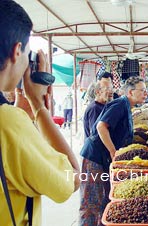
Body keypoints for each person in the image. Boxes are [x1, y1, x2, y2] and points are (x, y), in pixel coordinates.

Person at [0, 1, 80, 226]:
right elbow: (72, 178)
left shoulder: (11, 119)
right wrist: (38, 106)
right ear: (17, 52)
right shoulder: (7, 122)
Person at [79, 76, 147, 226]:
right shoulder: (120, 104)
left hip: (103, 158)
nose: (145, 94)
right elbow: (101, 127)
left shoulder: (126, 106)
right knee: (91, 202)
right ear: (130, 92)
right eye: (142, 90)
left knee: (103, 198)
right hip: (94, 157)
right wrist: (113, 151)